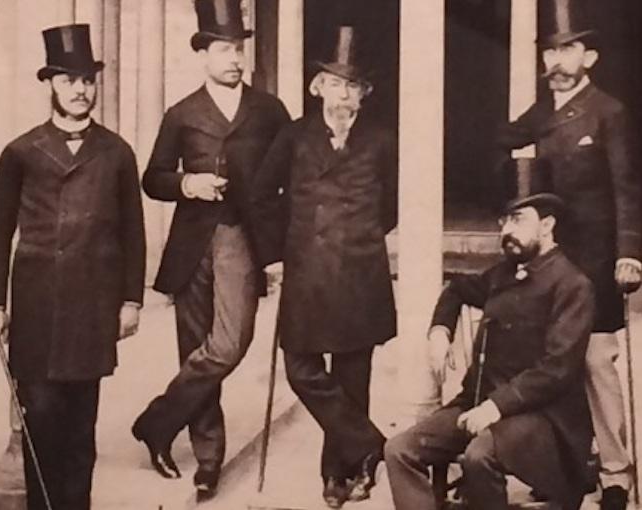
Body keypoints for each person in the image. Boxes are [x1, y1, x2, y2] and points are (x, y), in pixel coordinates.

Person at [0, 24, 145, 510]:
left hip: (91, 310)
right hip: (36, 308)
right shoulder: (21, 152)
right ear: (49, 84)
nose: (80, 90)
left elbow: (133, 233)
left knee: (80, 431)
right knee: (42, 422)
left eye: (87, 80)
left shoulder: (116, 152)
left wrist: (131, 300)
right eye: (69, 80)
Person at [130, 0, 290, 501]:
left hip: (241, 236)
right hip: (189, 245)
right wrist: (188, 182)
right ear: (202, 54)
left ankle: (156, 422)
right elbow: (152, 178)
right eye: (224, 49)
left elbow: (288, 176)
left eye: (240, 49)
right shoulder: (182, 113)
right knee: (193, 344)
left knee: (228, 344)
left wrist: (279, 248)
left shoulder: (269, 110)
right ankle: (208, 459)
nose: (235, 58)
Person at [497, 2, 642, 508]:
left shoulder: (610, 113)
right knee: (551, 362)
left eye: (568, 52)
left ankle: (616, 475)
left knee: (595, 363)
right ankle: (563, 466)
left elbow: (631, 189)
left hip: (599, 261)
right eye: (551, 53)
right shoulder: (545, 112)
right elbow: (506, 137)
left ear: (591, 57)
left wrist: (629, 254)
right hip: (552, 262)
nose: (557, 63)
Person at [384, 160, 595, 510]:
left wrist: (497, 406)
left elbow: (557, 369)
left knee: (478, 455)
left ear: (547, 225)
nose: (506, 231)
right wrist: (439, 331)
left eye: (518, 220)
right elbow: (456, 290)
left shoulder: (573, 285)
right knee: (400, 450)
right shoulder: (504, 274)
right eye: (503, 221)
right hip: (479, 404)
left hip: (545, 419)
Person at [250, 25, 398, 509]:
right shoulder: (294, 136)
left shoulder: (380, 139)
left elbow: (391, 206)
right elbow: (260, 197)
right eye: (335, 84)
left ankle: (341, 477)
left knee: (354, 375)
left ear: (365, 94)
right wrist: (276, 254)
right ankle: (373, 446)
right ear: (317, 88)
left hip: (360, 271)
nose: (344, 95)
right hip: (307, 272)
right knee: (302, 370)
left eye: (353, 86)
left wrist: (360, 238)